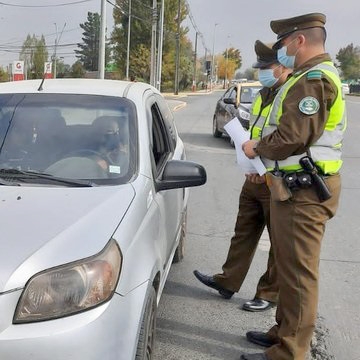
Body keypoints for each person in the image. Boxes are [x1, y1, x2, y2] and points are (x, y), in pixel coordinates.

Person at [241, 13, 346, 360]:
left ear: (299, 40)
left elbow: (293, 137)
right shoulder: (303, 77)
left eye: (283, 43)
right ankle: (282, 334)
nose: (280, 51)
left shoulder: (314, 80)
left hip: (305, 192)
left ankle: (289, 352)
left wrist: (256, 148)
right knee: (288, 268)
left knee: (299, 275)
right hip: (293, 188)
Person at [193, 40, 292, 312]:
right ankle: (228, 281)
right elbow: (256, 134)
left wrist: (265, 169)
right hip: (254, 175)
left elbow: (288, 140)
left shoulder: (291, 94)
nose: (263, 72)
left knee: (278, 241)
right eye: (260, 68)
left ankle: (268, 294)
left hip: (276, 178)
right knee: (243, 232)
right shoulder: (262, 95)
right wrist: (251, 168)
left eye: (268, 67)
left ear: (283, 67)